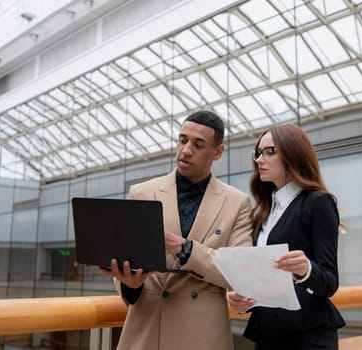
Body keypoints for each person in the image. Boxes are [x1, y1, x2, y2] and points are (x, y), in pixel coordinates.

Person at [100, 110, 253, 350]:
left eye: (198, 144)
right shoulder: (141, 193)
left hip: (204, 335)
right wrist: (129, 284)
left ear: (218, 152)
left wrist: (185, 248)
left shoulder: (237, 203)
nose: (186, 150)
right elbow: (127, 261)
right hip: (148, 329)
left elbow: (239, 273)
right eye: (182, 140)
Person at [228, 123, 345, 349]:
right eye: (258, 153)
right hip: (267, 334)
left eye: (270, 152)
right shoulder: (263, 213)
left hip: (308, 336)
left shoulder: (317, 203)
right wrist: (245, 301)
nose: (260, 159)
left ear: (293, 154)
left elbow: (330, 282)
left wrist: (306, 269)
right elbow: (264, 279)